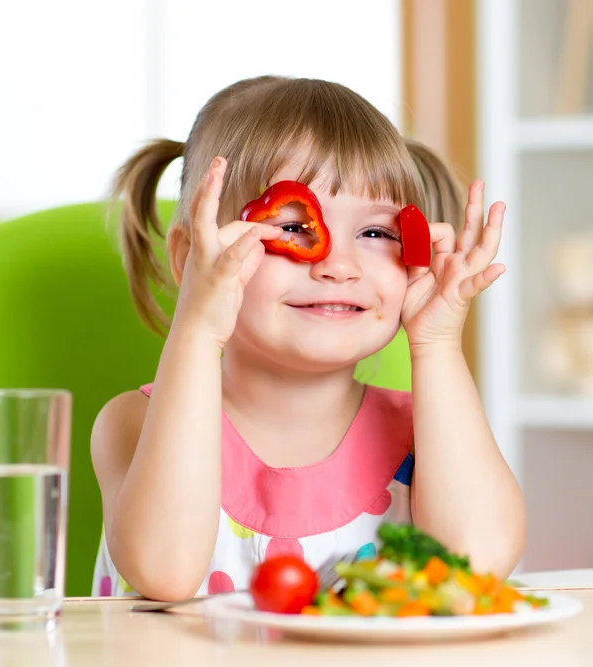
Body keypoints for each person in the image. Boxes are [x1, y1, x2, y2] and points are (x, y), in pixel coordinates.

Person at [90, 75, 525, 601]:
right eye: (293, 228)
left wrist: (435, 345)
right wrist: (198, 327)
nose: (339, 265)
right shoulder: (134, 423)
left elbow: (476, 565)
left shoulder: (428, 435)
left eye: (376, 233)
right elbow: (166, 571)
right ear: (192, 259)